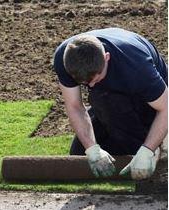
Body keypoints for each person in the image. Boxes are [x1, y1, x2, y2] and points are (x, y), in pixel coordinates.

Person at [53, 27, 168, 180]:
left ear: (107, 58)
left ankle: (156, 145)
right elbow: (75, 106)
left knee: (108, 102)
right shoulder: (65, 58)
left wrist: (147, 150)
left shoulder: (136, 67)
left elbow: (166, 107)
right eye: (86, 82)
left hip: (150, 102)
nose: (91, 86)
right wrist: (92, 149)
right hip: (108, 98)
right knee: (79, 154)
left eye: (96, 78)